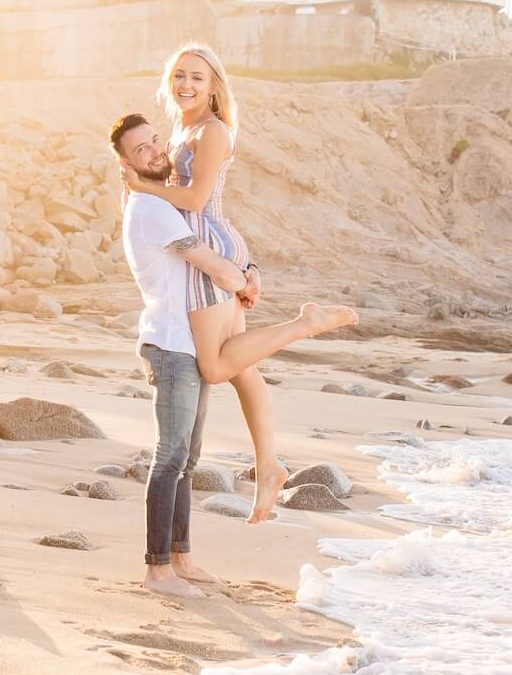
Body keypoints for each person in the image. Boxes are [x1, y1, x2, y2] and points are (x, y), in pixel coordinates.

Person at [110, 112, 356, 598]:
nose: (156, 151)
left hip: (186, 343)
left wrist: (248, 269)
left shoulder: (163, 201)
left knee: (187, 458)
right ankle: (157, 571)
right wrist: (241, 281)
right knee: (170, 459)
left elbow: (214, 229)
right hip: (170, 346)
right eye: (141, 150)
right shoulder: (149, 209)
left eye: (155, 141)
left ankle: (180, 558)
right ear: (126, 164)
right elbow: (209, 263)